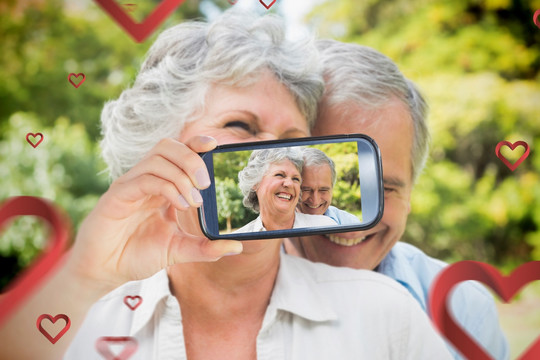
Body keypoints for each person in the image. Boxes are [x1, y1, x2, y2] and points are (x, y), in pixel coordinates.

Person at [0, 12, 453, 360]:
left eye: (293, 142)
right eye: (241, 124)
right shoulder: (82, 314)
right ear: (159, 145)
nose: (276, 153)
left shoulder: (382, 313)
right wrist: (86, 274)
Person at [285, 40, 509, 359]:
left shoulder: (466, 311)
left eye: (386, 189)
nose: (351, 226)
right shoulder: (216, 304)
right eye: (316, 185)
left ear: (410, 194)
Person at [234, 148, 337, 233]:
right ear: (255, 182)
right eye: (279, 175)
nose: (289, 183)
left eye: (295, 179)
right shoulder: (238, 241)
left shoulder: (326, 227)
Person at [298, 147, 360, 226]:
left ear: (332, 189)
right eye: (306, 190)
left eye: (323, 190)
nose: (315, 200)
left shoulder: (350, 222)